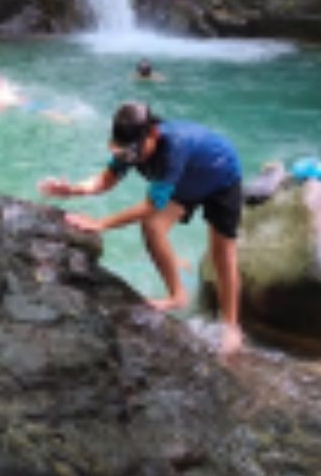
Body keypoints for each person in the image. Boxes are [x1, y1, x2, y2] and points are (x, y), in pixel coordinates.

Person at [39, 102, 244, 355]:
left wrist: (102, 224)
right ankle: (178, 296)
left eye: (134, 152)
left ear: (153, 134)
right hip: (184, 183)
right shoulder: (131, 148)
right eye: (125, 153)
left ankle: (232, 327)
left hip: (221, 176)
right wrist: (72, 190)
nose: (130, 159)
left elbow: (150, 206)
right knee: (152, 227)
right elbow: (105, 180)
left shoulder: (174, 147)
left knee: (222, 254)